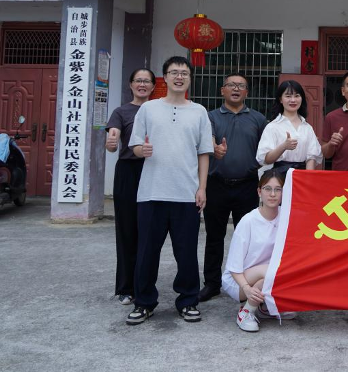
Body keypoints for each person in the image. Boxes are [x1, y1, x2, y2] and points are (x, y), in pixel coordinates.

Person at [126, 56, 213, 325]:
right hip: (151, 192)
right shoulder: (148, 109)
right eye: (174, 72)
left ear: (190, 79)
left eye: (184, 73)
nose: (179, 77)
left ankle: (188, 301)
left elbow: (204, 152)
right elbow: (135, 146)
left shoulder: (199, 111)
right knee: (147, 252)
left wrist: (202, 188)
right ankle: (144, 302)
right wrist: (142, 150)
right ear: (164, 78)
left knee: (186, 253)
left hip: (186, 193)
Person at [198, 72, 268, 303]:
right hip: (216, 185)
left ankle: (247, 284)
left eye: (241, 86)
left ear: (247, 92)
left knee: (248, 239)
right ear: (223, 90)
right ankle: (212, 284)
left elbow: (266, 150)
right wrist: (214, 148)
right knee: (214, 236)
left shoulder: (258, 119)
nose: (236, 89)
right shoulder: (210, 117)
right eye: (231, 85)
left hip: (247, 185)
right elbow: (206, 140)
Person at [105, 68, 156, 306]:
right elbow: (113, 138)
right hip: (128, 172)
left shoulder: (158, 110)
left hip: (154, 170)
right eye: (138, 80)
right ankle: (126, 287)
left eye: (146, 81)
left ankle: (144, 284)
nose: (142, 84)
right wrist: (111, 142)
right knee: (127, 230)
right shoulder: (121, 112)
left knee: (150, 231)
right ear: (131, 84)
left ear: (153, 86)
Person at [223, 169, 295, 332]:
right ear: (259, 192)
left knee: (277, 271)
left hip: (268, 274)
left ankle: (265, 307)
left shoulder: (286, 217)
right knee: (271, 271)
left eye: (278, 189)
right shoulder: (248, 221)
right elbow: (234, 267)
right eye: (267, 189)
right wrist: (246, 289)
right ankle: (246, 312)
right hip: (238, 280)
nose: (272, 194)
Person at [256, 80, 322, 177]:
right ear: (280, 99)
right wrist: (284, 146)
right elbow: (265, 159)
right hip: (279, 176)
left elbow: (312, 157)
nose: (293, 100)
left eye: (297, 96)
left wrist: (308, 178)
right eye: (288, 96)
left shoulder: (307, 128)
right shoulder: (272, 126)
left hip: (302, 176)